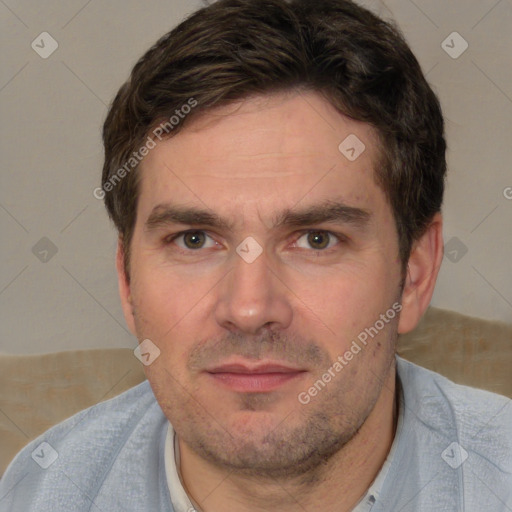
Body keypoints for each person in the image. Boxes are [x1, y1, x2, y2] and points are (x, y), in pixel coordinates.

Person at [1, 0, 510, 510]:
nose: (248, 309)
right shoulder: (43, 490)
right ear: (127, 281)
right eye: (194, 239)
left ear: (415, 273)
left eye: (317, 239)